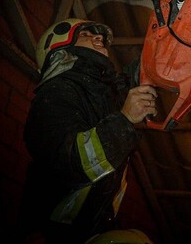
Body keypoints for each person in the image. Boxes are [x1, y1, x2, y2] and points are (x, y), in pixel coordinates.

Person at [18, 18, 157, 243]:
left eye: (97, 34)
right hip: (55, 235)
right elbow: (70, 161)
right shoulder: (55, 93)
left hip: (93, 231)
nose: (98, 37)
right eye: (86, 34)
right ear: (60, 49)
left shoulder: (106, 95)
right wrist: (125, 119)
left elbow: (156, 64)